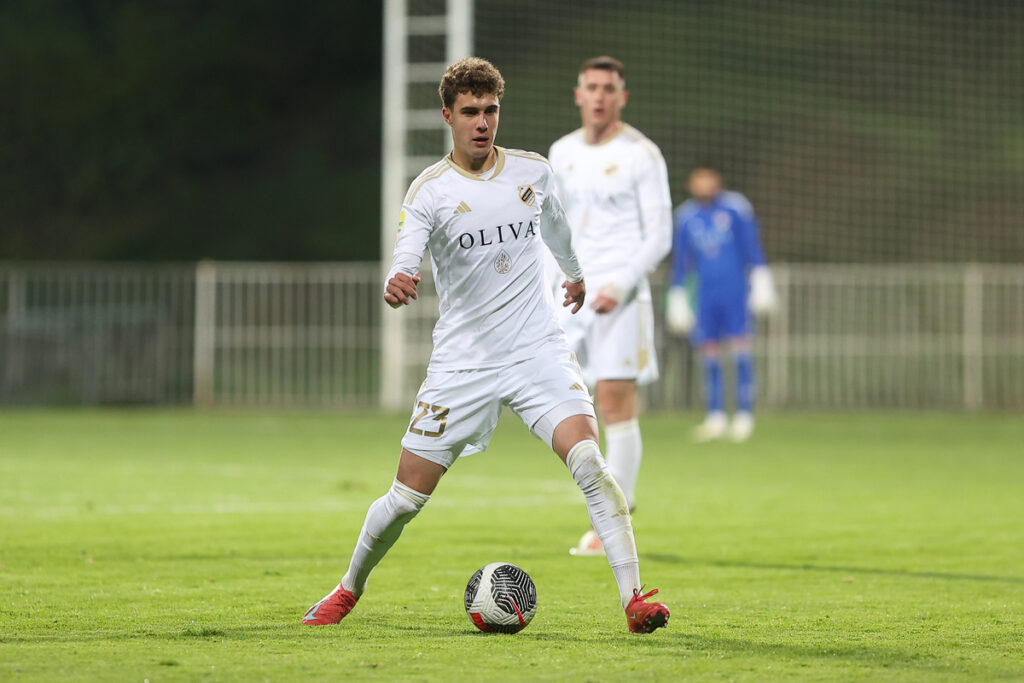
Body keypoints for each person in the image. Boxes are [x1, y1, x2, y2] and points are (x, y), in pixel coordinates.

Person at [302, 57, 669, 633]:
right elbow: (407, 252)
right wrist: (400, 278)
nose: (482, 122)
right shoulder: (430, 190)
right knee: (404, 499)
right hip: (463, 364)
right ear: (448, 115)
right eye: (470, 112)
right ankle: (348, 589)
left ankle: (634, 600)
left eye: (490, 111)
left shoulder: (533, 170)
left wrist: (573, 273)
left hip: (536, 352)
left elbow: (555, 228)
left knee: (591, 465)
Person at [546, 56, 672, 556]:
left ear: (623, 97)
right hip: (570, 294)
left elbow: (660, 232)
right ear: (578, 94)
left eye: (609, 88)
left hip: (621, 298)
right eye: (591, 87)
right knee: (562, 401)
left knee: (615, 403)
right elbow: (550, 226)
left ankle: (613, 518)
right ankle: (609, 501)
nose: (599, 95)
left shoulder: (642, 154)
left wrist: (621, 283)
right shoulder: (560, 152)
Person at [666, 166, 777, 442]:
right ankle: (715, 415)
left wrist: (762, 280)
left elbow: (751, 246)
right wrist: (678, 297)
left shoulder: (736, 208)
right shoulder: (685, 216)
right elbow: (682, 261)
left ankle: (744, 415)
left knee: (741, 352)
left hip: (735, 292)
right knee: (709, 355)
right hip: (705, 296)